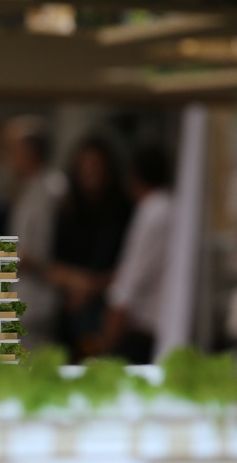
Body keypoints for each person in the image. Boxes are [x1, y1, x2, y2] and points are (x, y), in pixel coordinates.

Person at [48, 137, 132, 358]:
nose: (91, 173)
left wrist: (93, 287)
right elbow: (53, 266)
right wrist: (77, 282)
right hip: (70, 309)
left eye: (97, 166)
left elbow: (131, 267)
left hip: (111, 309)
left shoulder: (123, 212)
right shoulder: (67, 211)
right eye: (86, 167)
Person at [104, 144, 175, 364]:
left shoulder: (152, 212)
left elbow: (129, 283)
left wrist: (108, 341)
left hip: (145, 333)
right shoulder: (171, 207)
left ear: (132, 177)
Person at [3, 115, 66, 347]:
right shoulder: (29, 188)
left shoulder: (52, 189)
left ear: (29, 151)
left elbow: (43, 252)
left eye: (13, 150)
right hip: (23, 299)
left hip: (41, 301)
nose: (10, 158)